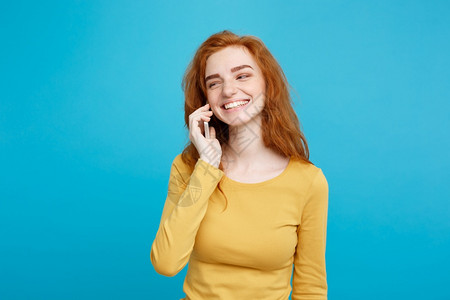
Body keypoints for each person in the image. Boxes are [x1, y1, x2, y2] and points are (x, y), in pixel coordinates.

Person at [150, 30, 329, 300]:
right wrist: (206, 169)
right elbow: (166, 263)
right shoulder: (189, 167)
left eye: (242, 75)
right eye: (214, 83)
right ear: (206, 100)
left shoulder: (308, 181)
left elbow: (311, 288)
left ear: (268, 84)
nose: (228, 90)